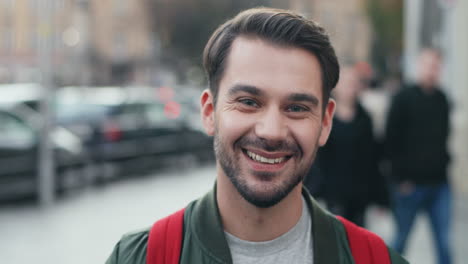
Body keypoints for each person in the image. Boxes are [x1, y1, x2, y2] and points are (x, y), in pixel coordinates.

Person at [106, 8, 408, 264]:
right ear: (210, 112)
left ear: (325, 122)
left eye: (296, 107)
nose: (271, 131)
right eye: (249, 102)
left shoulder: (375, 258)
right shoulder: (142, 257)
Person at [385, 48, 452, 264]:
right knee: (401, 240)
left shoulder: (442, 99)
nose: (432, 70)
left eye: (436, 66)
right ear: (418, 66)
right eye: (427, 65)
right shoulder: (403, 98)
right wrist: (400, 178)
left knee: (443, 242)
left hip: (439, 184)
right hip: (409, 185)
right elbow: (390, 140)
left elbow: (443, 137)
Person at [306, 66, 386, 227]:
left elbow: (372, 159)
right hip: (332, 192)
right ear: (336, 86)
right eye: (346, 83)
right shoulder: (323, 117)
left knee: (357, 241)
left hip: (359, 193)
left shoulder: (365, 118)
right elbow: (316, 157)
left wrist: (381, 197)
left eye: (353, 83)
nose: (350, 87)